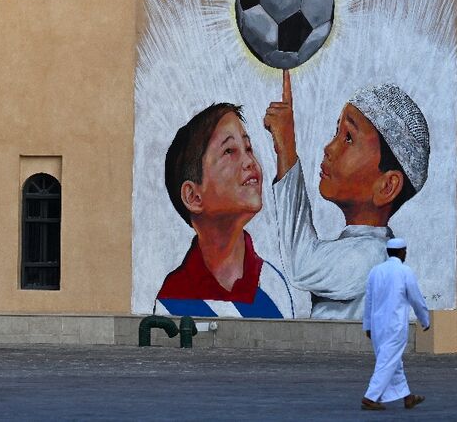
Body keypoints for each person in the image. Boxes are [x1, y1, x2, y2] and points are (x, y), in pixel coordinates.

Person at [264, 71, 430, 320]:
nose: (329, 148)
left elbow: (301, 264)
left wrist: (286, 147)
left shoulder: (370, 257)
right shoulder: (364, 248)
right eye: (336, 133)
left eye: (349, 138)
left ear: (387, 186)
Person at [157, 103, 293, 318]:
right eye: (229, 151)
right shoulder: (172, 298)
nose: (249, 161)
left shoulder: (273, 285)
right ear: (193, 197)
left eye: (248, 148)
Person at [361, 237, 430, 411]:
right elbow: (415, 297)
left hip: (377, 326)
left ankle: (407, 397)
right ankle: (370, 397)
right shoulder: (404, 271)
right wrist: (424, 319)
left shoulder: (375, 271)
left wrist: (367, 325)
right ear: (401, 252)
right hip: (395, 326)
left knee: (393, 361)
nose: (405, 253)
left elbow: (368, 300)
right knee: (387, 361)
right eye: (405, 251)